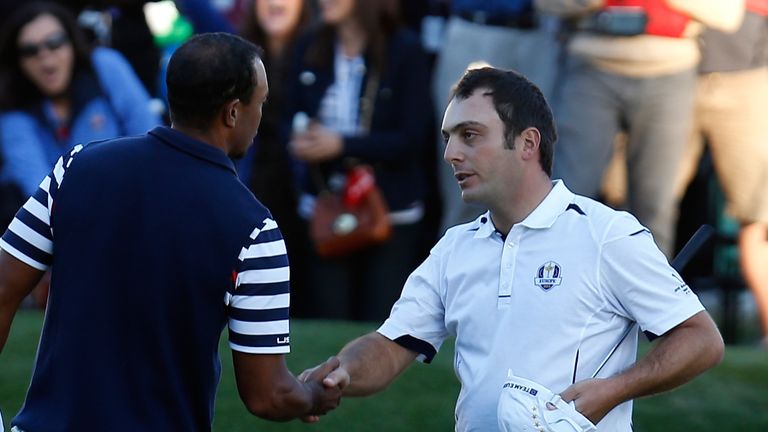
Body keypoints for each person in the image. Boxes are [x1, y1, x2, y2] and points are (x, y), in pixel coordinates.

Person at [300, 67, 724, 431]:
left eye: (470, 135)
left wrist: (612, 392)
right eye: (449, 138)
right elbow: (391, 344)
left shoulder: (606, 234)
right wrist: (343, 372)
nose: (451, 153)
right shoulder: (454, 248)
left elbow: (701, 340)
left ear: (527, 143)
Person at [0, 32, 341, 431]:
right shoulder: (255, 230)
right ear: (232, 113)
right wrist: (314, 394)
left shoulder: (75, 167)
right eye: (259, 103)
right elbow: (267, 395)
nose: (261, 115)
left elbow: (3, 287)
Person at [536, 0, 744, 257]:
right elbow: (546, 4)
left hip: (670, 72)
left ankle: (649, 294)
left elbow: (729, 14)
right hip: (590, 68)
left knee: (654, 207)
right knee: (566, 197)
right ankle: (553, 287)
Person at [285, 0, 433, 321]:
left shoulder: (405, 49)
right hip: (326, 205)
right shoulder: (309, 44)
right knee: (329, 319)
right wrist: (299, 138)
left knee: (381, 323)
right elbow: (286, 113)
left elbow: (412, 138)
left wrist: (340, 144)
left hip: (390, 208)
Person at [675, 0, 768, 347]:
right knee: (646, 204)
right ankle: (633, 328)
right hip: (671, 67)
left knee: (759, 218)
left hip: (751, 75)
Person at [0, 1, 161, 199]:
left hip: (135, 197)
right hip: (66, 223)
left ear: (73, 43)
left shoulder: (104, 65)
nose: (45, 58)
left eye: (55, 42)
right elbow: (40, 195)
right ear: (19, 61)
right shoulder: (12, 108)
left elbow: (151, 140)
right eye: (30, 50)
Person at [431, 0, 562, 233]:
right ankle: (458, 267)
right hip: (476, 28)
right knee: (464, 184)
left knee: (536, 170)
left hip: (539, 33)